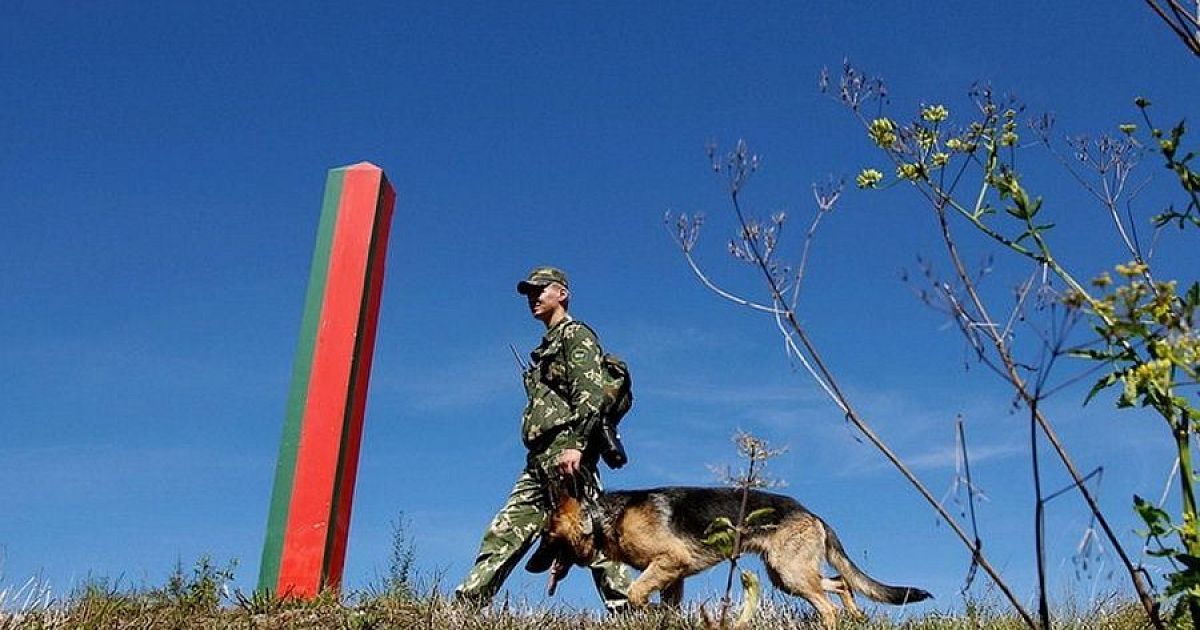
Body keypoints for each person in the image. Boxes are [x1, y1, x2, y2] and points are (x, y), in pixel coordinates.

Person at [454, 266, 631, 609]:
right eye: (529, 293)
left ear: (561, 294)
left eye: (540, 290)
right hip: (539, 459)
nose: (533, 298)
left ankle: (631, 610)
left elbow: (590, 395)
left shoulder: (575, 335)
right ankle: (466, 604)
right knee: (505, 530)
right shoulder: (545, 347)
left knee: (593, 536)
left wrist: (576, 444)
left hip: (566, 452)